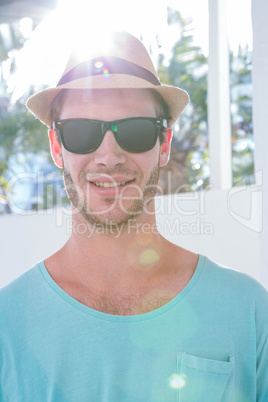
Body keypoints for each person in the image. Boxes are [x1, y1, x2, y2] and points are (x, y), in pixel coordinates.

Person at [0, 30, 267, 402]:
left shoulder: (250, 312)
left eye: (136, 131)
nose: (109, 156)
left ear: (164, 144)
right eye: (81, 132)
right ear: (58, 147)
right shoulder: (5, 325)